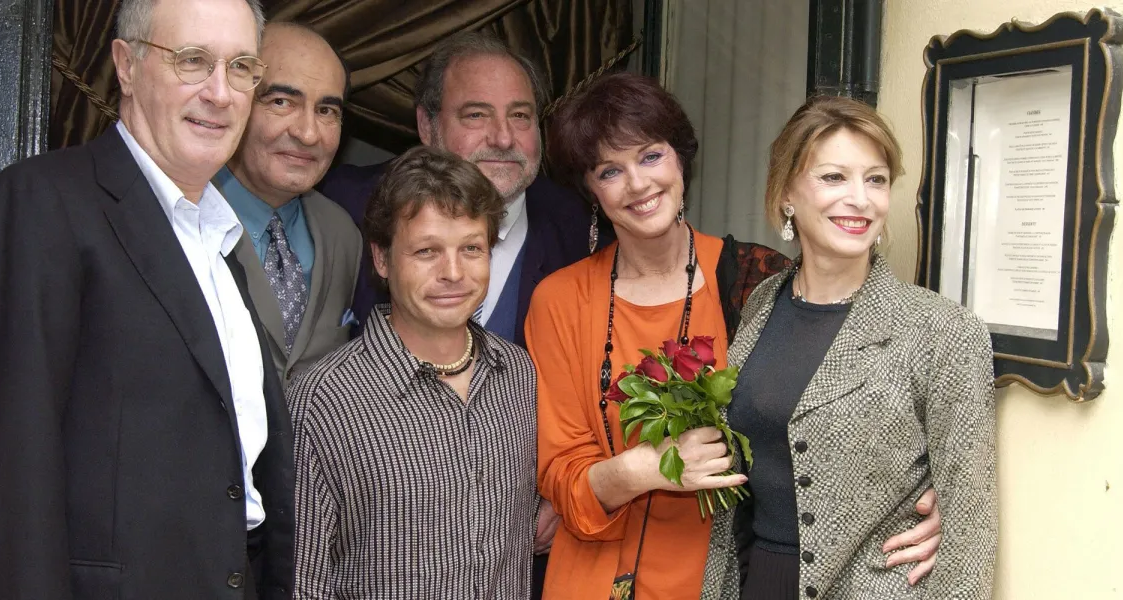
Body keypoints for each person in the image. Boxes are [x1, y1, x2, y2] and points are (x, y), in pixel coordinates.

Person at [526, 72, 945, 600]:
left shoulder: (758, 282)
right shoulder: (559, 301)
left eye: (651, 156)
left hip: (721, 578)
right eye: (611, 170)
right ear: (590, 189)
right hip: (589, 582)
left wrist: (930, 499)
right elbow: (560, 476)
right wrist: (645, 468)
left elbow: (850, 406)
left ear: (680, 159)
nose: (638, 184)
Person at [0, 0, 294, 598]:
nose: (220, 92)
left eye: (242, 67)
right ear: (126, 65)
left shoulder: (215, 241)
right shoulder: (43, 206)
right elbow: (4, 471)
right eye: (193, 61)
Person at [317, 31, 593, 594]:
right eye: (476, 114)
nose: (502, 137)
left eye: (520, 116)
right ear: (426, 126)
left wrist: (565, 489)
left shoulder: (583, 225)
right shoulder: (342, 204)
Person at [704, 96, 998, 599]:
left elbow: (971, 526)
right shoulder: (760, 304)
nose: (860, 199)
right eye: (834, 177)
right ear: (787, 194)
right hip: (756, 580)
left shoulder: (941, 330)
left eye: (876, 179)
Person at [286, 145, 539, 598]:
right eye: (426, 251)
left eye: (471, 249)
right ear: (381, 259)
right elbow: (301, 583)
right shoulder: (323, 399)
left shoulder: (519, 376)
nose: (453, 273)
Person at [214, 21, 363, 387]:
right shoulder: (179, 215)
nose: (308, 133)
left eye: (327, 111)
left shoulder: (343, 233)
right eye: (282, 102)